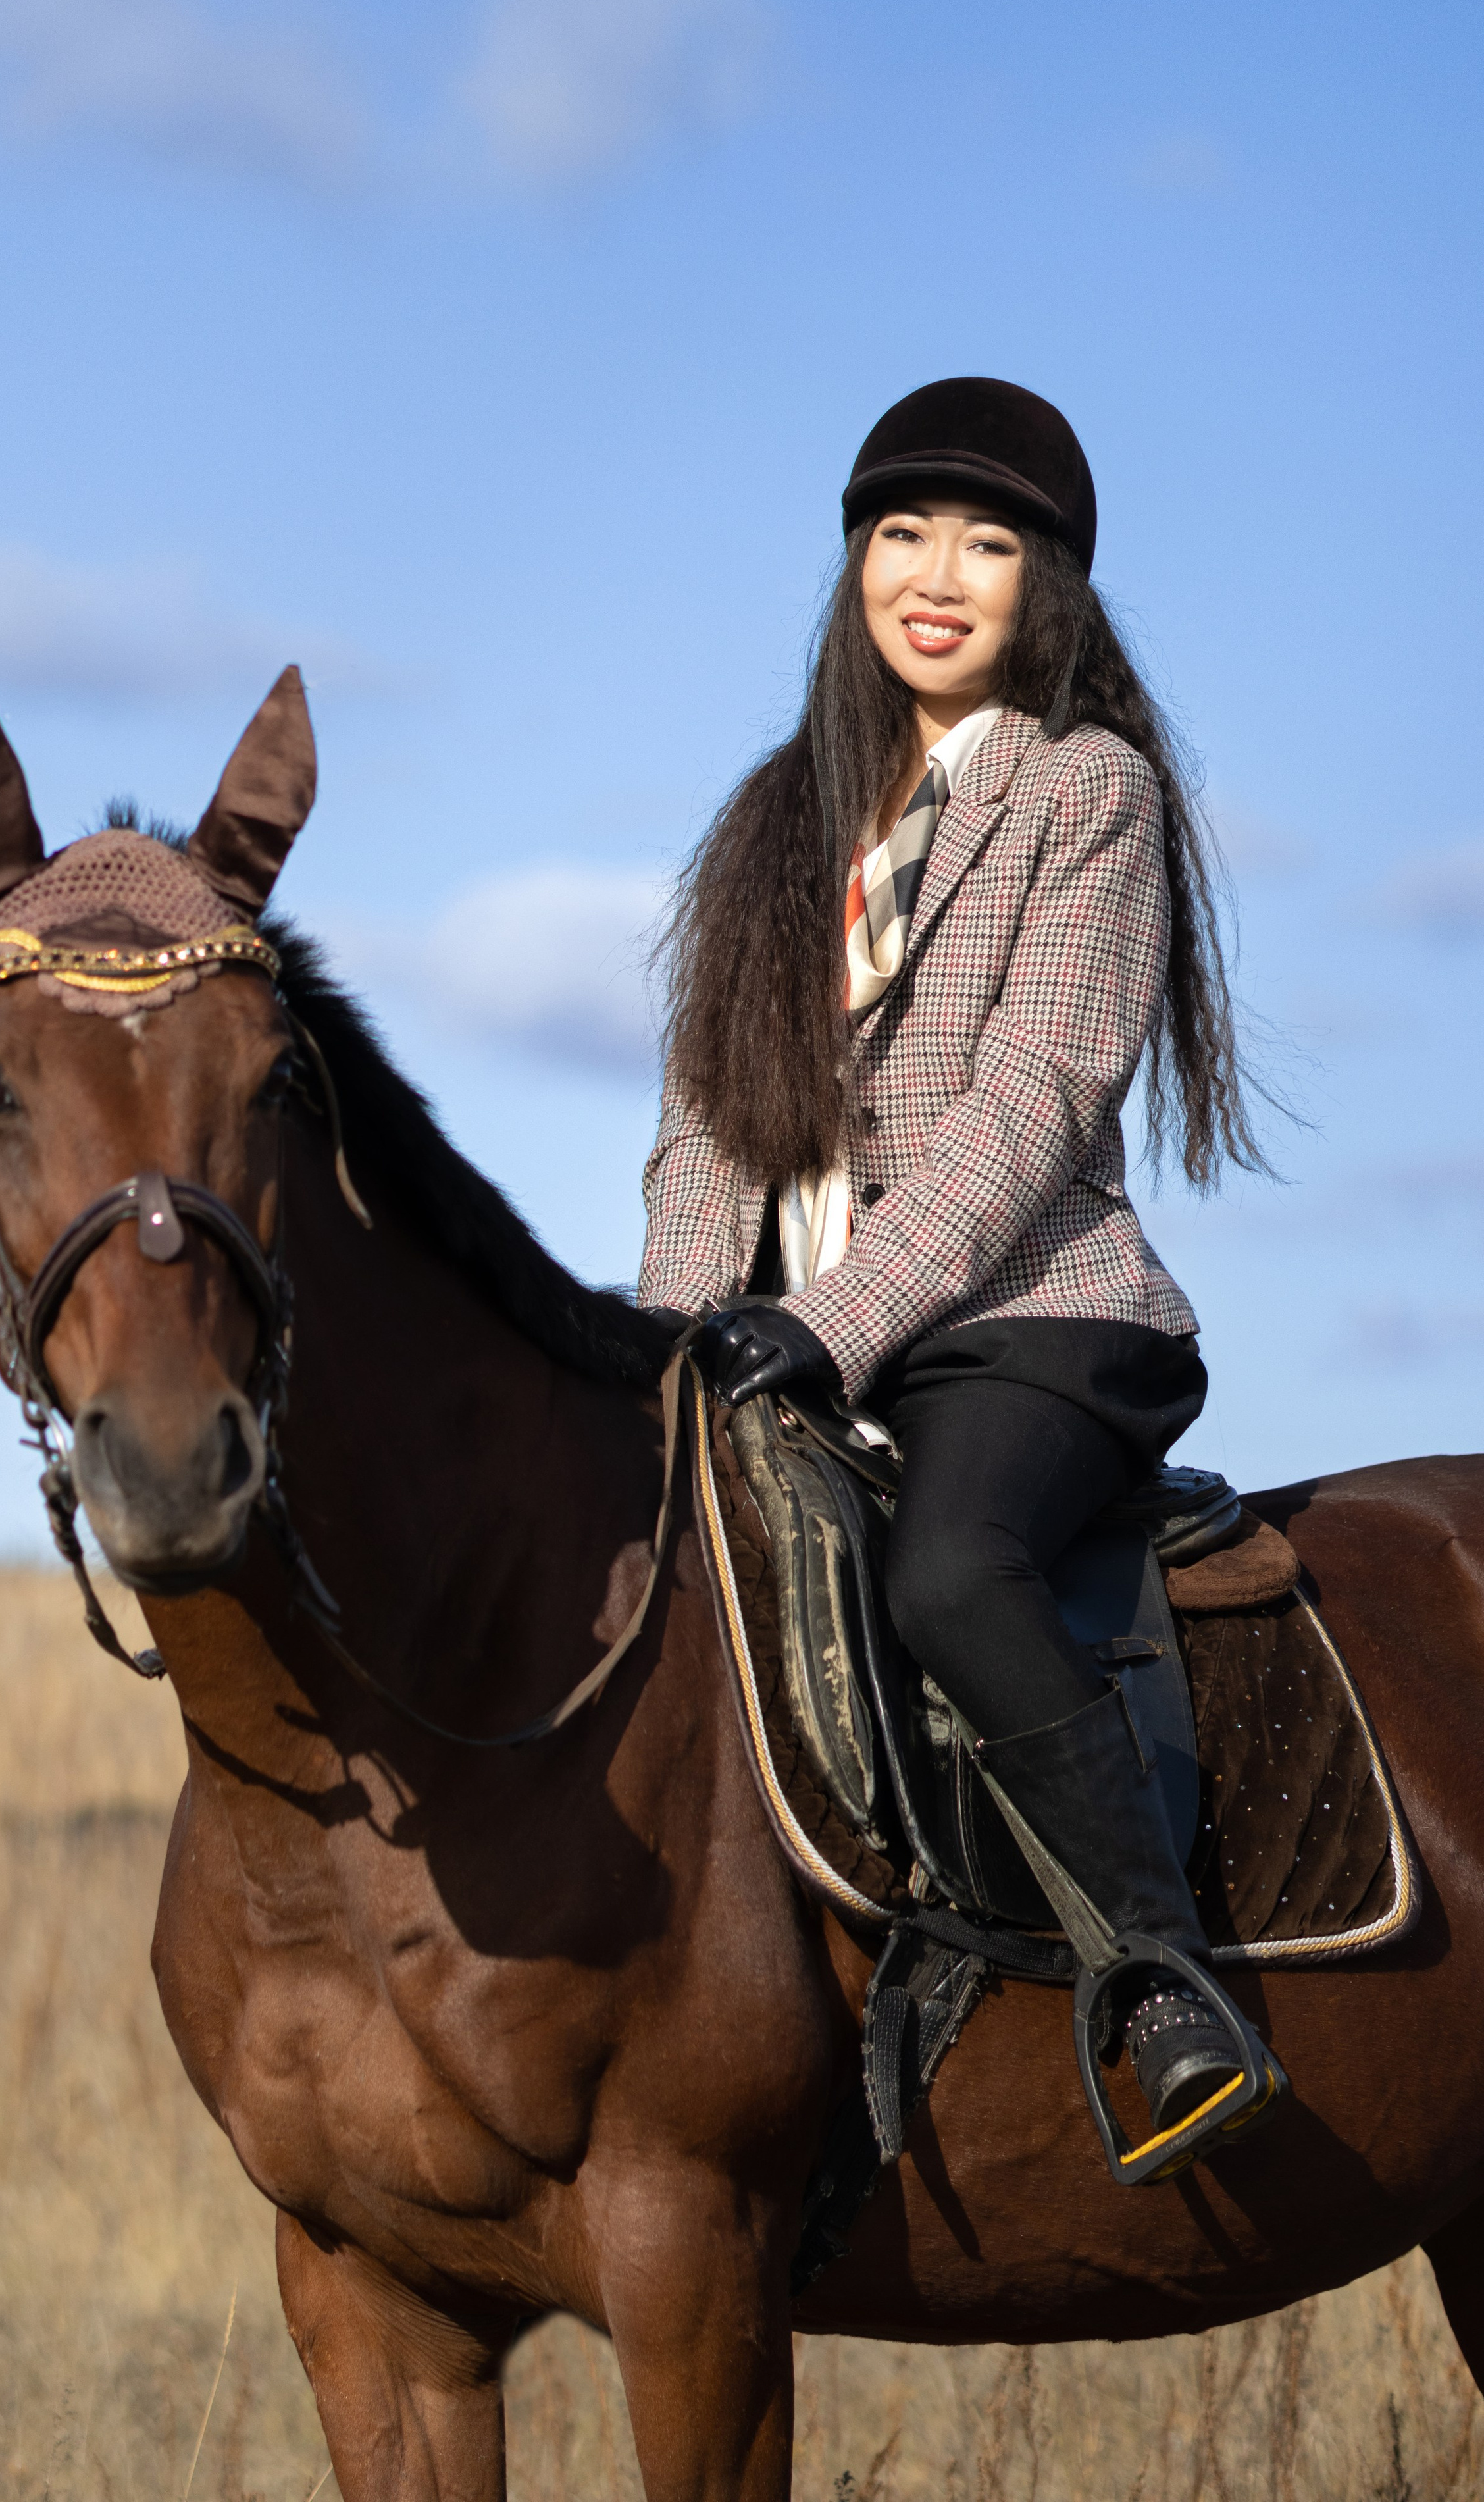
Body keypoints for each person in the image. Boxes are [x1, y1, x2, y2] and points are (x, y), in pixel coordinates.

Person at [640, 376, 1268, 2138]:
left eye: (987, 543)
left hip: (1035, 1322)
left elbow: (1028, 1111)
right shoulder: (781, 815)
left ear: (1045, 584)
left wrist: (834, 1324)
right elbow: (706, 1130)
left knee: (951, 1574)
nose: (938, 573)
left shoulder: (1089, 795)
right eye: (904, 533)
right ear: (858, 563)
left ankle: (1164, 1979)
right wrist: (680, 1346)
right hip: (798, 1338)